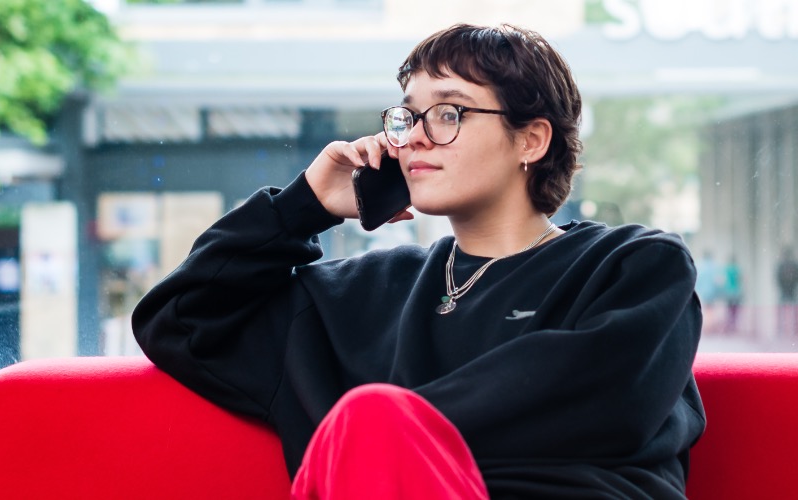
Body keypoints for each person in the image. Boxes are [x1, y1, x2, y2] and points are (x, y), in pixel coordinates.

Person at [132, 23, 704, 499]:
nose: (414, 139)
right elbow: (180, 320)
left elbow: (605, 403)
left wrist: (372, 431)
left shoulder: (632, 266)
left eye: (449, 113)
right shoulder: (359, 296)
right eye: (408, 117)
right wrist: (304, 206)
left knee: (373, 421)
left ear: (530, 140)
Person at [778, 247, 798, 336]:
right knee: (794, 311)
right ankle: (794, 328)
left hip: (785, 290)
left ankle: (781, 329)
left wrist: (782, 287)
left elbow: (777, 277)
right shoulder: (794, 265)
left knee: (781, 311)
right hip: (791, 290)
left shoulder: (781, 265)